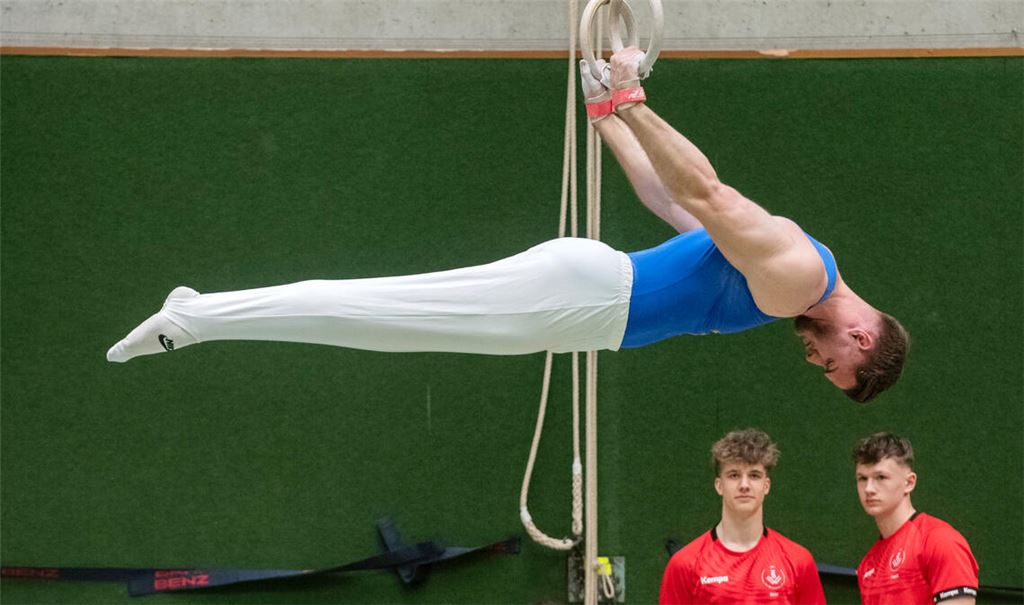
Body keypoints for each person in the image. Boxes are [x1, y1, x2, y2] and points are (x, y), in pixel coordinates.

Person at [106, 47, 907, 401]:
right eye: (829, 363)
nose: (812, 356)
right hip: (585, 300)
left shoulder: (803, 262)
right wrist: (633, 100)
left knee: (383, 323)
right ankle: (197, 315)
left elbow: (672, 206)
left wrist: (608, 118)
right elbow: (703, 193)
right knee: (373, 314)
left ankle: (202, 314)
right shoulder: (800, 277)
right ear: (862, 340)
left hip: (582, 300)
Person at [659, 429, 825, 604]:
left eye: (754, 475)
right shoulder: (684, 565)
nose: (744, 485)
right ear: (719, 485)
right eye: (734, 475)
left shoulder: (799, 561)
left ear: (766, 486)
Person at [852, 432, 979, 604]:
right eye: (862, 478)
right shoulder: (867, 565)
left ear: (909, 482)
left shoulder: (940, 541)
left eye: (881, 477)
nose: (869, 488)